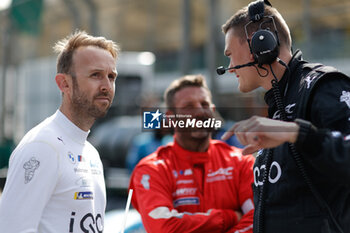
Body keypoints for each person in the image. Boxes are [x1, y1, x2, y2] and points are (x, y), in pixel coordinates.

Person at [220, 0, 350, 232]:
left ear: (261, 46)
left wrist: (297, 133)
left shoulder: (323, 86)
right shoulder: (277, 106)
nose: (229, 68)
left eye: (230, 55)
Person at [0, 31, 120, 232]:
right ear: (64, 83)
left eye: (111, 76)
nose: (107, 86)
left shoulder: (91, 152)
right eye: (95, 75)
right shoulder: (42, 146)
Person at [129, 74, 255, 233]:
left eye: (204, 104)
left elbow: (258, 219)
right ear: (171, 118)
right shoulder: (151, 169)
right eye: (188, 106)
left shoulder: (241, 161)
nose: (199, 112)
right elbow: (164, 228)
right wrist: (228, 217)